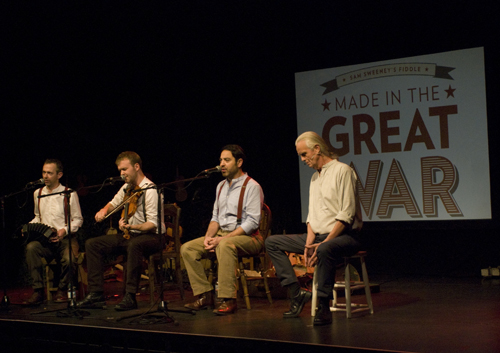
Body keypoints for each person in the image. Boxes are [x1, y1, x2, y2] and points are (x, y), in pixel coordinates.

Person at [265, 131, 363, 326]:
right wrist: (309, 243)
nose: (302, 159)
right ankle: (296, 293)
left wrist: (323, 243)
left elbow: (346, 215)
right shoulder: (314, 179)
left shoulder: (342, 170)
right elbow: (312, 217)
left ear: (317, 149)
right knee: (272, 242)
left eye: (304, 154)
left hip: (344, 236)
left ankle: (323, 305)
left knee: (325, 249)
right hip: (319, 236)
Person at [76, 151, 165, 311]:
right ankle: (96, 294)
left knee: (134, 245)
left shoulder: (150, 190)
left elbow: (152, 224)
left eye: (124, 169)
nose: (122, 174)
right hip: (131, 235)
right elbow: (113, 203)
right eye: (120, 171)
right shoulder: (127, 188)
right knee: (92, 244)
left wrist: (132, 226)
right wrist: (104, 210)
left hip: (152, 237)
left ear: (136, 167)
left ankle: (130, 296)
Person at [181, 145, 264, 315]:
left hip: (249, 237)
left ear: (239, 162)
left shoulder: (252, 186)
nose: (222, 164)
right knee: (187, 248)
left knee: (225, 245)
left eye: (227, 160)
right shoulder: (220, 186)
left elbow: (253, 222)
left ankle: (228, 299)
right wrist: (208, 237)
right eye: (220, 160)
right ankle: (205, 295)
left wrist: (223, 239)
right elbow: (215, 218)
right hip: (222, 235)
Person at [24, 159, 83, 305]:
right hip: (46, 240)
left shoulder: (69, 194)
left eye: (49, 173)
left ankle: (62, 290)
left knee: (69, 258)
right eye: (44, 172)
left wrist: (65, 230)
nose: (45, 176)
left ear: (59, 175)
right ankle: (38, 291)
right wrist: (28, 227)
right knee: (31, 248)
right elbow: (38, 217)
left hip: (65, 239)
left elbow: (78, 219)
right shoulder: (37, 193)